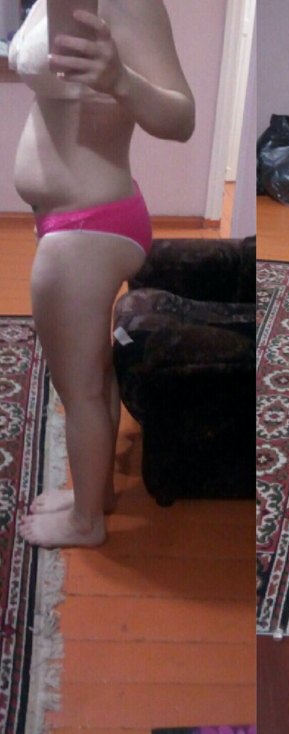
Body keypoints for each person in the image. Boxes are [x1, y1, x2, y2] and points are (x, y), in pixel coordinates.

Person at [10, 0, 195, 547]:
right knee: (92, 371)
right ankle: (95, 495)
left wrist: (119, 79)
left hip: (86, 227)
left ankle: (85, 522)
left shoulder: (131, 3)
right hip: (75, 222)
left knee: (80, 387)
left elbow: (182, 119)